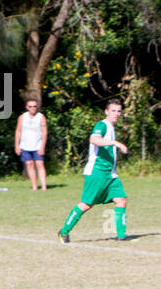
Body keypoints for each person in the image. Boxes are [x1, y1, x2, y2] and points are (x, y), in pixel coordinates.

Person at [59, 98, 128, 243]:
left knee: (121, 199)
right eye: (113, 111)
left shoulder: (111, 127)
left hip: (110, 173)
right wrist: (115, 143)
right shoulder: (102, 125)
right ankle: (64, 231)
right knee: (86, 204)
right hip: (96, 173)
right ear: (106, 111)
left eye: (119, 111)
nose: (116, 114)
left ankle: (121, 236)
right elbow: (94, 139)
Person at [15, 97, 48, 191]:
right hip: (25, 145)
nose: (33, 108)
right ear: (27, 107)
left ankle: (44, 186)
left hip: (37, 145)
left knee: (40, 164)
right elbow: (18, 131)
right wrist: (17, 145)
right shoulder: (22, 117)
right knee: (29, 164)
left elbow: (44, 132)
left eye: (34, 106)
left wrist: (42, 147)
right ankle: (34, 186)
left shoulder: (41, 117)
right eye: (30, 106)